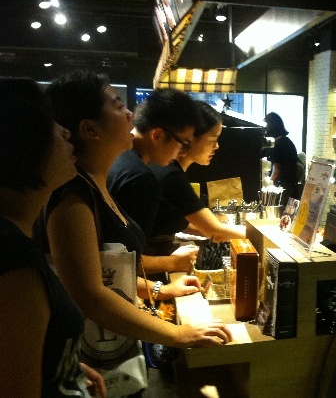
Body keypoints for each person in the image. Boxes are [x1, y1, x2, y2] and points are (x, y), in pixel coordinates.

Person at [38, 70, 232, 377]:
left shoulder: (96, 183)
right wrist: (177, 334)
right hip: (95, 357)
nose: (130, 113)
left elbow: (109, 275)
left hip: (115, 352)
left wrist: (160, 289)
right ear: (90, 129)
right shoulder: (72, 198)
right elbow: (89, 294)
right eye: (117, 106)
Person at [0, 77, 106, 397]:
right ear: (21, 142)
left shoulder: (16, 238)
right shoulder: (13, 258)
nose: (65, 132)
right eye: (49, 122)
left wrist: (66, 365)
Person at [107, 88, 201, 273]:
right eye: (184, 143)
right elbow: (123, 260)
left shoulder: (118, 158)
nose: (183, 153)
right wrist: (174, 262)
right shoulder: (140, 178)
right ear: (157, 135)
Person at [150, 101, 246, 245]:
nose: (217, 146)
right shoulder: (171, 176)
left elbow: (183, 225)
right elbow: (216, 232)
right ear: (190, 137)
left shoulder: (169, 169)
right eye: (213, 139)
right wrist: (263, 234)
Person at [264, 112, 298, 206]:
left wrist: (268, 191)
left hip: (283, 193)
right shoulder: (289, 142)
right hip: (292, 190)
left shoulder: (278, 145)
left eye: (266, 126)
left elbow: (276, 172)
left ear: (272, 126)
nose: (265, 130)